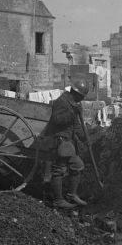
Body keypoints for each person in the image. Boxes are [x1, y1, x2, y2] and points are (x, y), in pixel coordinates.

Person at [43, 77, 90, 209]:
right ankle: (58, 200)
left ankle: (71, 195)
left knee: (78, 166)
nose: (82, 99)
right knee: (59, 170)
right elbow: (56, 120)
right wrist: (72, 113)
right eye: (81, 96)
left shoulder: (73, 103)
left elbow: (75, 125)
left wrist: (84, 138)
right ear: (76, 93)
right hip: (59, 141)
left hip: (68, 143)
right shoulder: (62, 101)